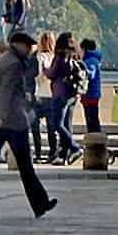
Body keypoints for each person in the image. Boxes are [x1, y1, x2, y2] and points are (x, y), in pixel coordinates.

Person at [0, 28, 57, 219]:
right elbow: (6, 91)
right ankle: (40, 203)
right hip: (12, 122)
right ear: (19, 45)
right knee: (25, 166)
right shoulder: (14, 64)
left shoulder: (2, 60)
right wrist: (1, 117)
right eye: (27, 47)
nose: (29, 51)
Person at [44, 34, 82, 162]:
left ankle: (75, 147)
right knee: (67, 124)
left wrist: (45, 69)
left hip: (60, 93)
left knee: (57, 124)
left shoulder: (60, 56)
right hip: (72, 93)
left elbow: (52, 73)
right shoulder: (75, 55)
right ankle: (63, 154)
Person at [80, 37, 107, 146]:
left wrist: (81, 68)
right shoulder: (94, 59)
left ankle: (95, 142)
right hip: (92, 94)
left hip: (90, 94)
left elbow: (91, 74)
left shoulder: (90, 60)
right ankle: (95, 140)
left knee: (91, 119)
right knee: (92, 118)